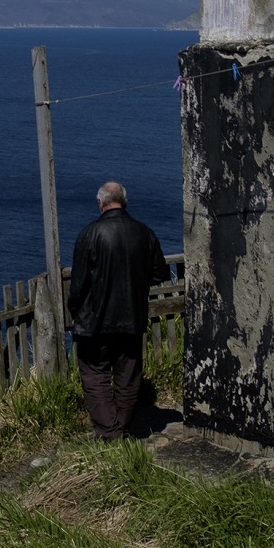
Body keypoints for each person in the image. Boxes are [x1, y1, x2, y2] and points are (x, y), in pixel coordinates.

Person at [67, 180, 171, 440]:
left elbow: (78, 284)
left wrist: (75, 310)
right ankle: (120, 427)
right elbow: (160, 273)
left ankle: (110, 432)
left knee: (95, 374)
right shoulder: (144, 233)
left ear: (101, 203)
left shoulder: (90, 234)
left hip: (95, 320)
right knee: (128, 375)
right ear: (124, 202)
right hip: (132, 317)